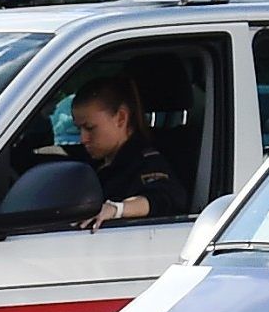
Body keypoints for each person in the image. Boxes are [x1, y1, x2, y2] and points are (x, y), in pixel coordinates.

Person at [70, 76, 185, 225]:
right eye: (79, 129)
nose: (83, 139)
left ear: (121, 118)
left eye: (90, 128)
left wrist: (116, 210)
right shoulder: (94, 160)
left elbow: (164, 198)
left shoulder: (146, 163)